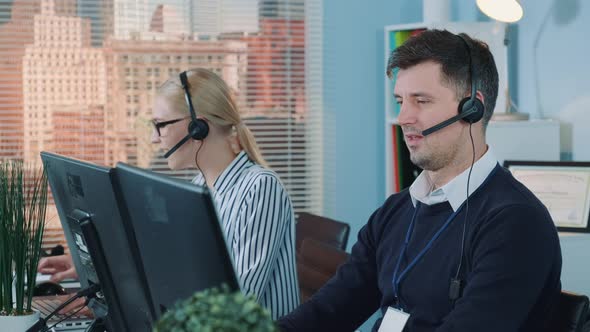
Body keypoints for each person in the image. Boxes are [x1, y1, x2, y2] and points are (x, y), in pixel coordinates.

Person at [278, 29, 561, 332]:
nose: (403, 117)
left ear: (471, 109)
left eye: (421, 101)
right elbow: (329, 310)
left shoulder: (516, 222)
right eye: (401, 101)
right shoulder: (395, 212)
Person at [39, 68, 300, 319]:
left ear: (199, 127)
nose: (155, 138)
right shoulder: (198, 190)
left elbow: (233, 305)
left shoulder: (260, 188)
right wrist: (98, 269)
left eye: (161, 125)